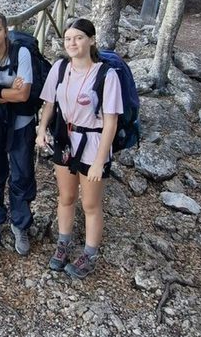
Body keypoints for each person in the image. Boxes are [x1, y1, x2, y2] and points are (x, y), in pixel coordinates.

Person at [35, 18, 122, 279]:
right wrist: (41, 130)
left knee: (91, 203)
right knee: (66, 197)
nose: (72, 43)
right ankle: (63, 244)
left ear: (91, 40)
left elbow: (111, 122)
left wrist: (99, 162)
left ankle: (90, 255)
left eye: (79, 38)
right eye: (68, 39)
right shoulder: (60, 68)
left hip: (94, 142)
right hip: (65, 139)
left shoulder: (107, 75)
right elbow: (49, 104)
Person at [0, 12, 37, 256]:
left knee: (22, 173)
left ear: (6, 31)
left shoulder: (20, 53)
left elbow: (23, 95)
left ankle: (20, 224)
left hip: (22, 121)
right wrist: (6, 92)